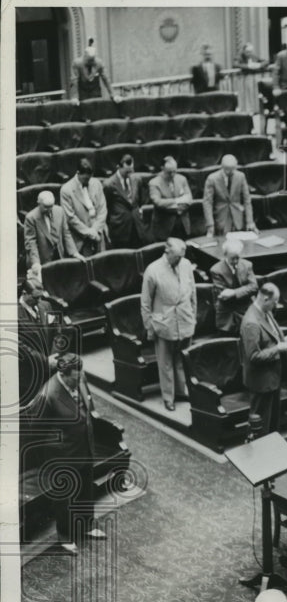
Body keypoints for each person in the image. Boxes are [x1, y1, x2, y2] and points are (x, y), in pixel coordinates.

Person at [22, 353, 108, 554]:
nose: (79, 381)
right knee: (64, 499)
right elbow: (36, 430)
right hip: (63, 456)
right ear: (64, 373)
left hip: (84, 447)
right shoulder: (49, 394)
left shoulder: (79, 378)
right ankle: (65, 537)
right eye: (75, 378)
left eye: (80, 377)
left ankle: (88, 525)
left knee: (86, 490)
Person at [140, 238, 196, 411]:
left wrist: (193, 316)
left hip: (185, 320)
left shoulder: (186, 264)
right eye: (177, 256)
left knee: (181, 360)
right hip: (164, 323)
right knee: (165, 363)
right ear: (167, 251)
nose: (180, 260)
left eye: (182, 256)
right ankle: (168, 397)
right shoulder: (153, 270)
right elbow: (145, 303)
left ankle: (181, 391)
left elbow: (193, 292)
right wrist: (149, 327)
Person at [240, 284, 287, 434]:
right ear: (265, 298)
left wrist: (283, 340)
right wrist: (278, 348)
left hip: (271, 378)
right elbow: (253, 356)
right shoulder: (251, 322)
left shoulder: (265, 312)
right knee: (260, 425)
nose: (277, 304)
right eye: (275, 301)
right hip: (261, 381)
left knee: (272, 423)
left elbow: (271, 334)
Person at [17, 278, 58, 403]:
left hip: (51, 368)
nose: (40, 301)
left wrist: (54, 356)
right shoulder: (12, 314)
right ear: (24, 294)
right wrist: (45, 362)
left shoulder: (46, 305)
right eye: (36, 298)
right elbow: (20, 347)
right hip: (29, 374)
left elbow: (57, 331)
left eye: (41, 297)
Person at [59, 158, 108, 256]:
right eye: (85, 179)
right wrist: (89, 232)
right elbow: (70, 217)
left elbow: (102, 209)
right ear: (78, 173)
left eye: (89, 178)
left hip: (98, 232)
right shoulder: (66, 190)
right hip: (80, 237)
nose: (87, 181)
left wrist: (96, 229)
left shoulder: (96, 183)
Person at [23, 190, 81, 270]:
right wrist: (36, 263)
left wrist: (74, 252)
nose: (49, 209)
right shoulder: (31, 218)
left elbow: (66, 233)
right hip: (41, 260)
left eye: (51, 206)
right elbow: (31, 243)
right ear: (39, 204)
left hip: (59, 255)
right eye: (46, 207)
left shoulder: (60, 211)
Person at [210, 239, 258, 335]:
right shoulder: (216, 270)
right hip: (227, 313)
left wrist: (234, 292)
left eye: (238, 258)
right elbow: (222, 294)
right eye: (232, 258)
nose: (235, 261)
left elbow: (254, 287)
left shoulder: (247, 265)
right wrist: (244, 290)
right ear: (225, 255)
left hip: (246, 309)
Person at [203, 155, 255, 238]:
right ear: (221, 167)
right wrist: (210, 224)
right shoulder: (212, 178)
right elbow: (207, 202)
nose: (230, 171)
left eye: (233, 169)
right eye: (227, 169)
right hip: (221, 218)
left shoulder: (241, 176)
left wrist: (250, 221)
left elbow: (247, 200)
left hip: (238, 217)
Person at [104, 154, 149, 248]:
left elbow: (140, 201)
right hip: (120, 228)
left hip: (137, 227)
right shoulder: (109, 184)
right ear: (118, 167)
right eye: (127, 171)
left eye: (132, 170)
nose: (130, 174)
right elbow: (106, 208)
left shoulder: (137, 179)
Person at [148, 157, 193, 241]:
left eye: (174, 171)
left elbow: (189, 199)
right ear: (162, 168)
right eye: (169, 172)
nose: (172, 175)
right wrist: (178, 201)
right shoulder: (154, 183)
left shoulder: (182, 179)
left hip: (182, 225)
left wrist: (178, 208)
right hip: (164, 227)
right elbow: (158, 202)